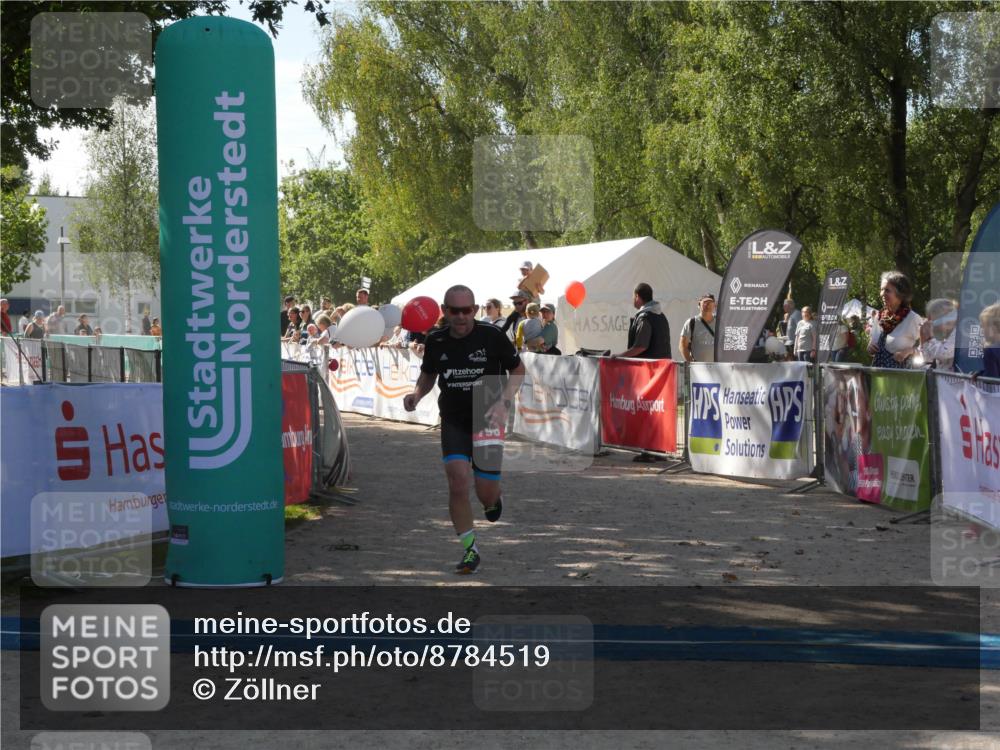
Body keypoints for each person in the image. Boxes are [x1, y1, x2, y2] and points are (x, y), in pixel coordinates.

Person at [403, 285, 525, 574]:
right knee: (458, 482)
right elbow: (429, 374)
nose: (461, 317)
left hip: (487, 417)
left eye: (466, 311)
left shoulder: (491, 336)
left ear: (475, 310)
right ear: (445, 311)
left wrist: (504, 401)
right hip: (454, 419)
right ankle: (470, 550)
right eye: (454, 311)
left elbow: (518, 370)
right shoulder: (436, 340)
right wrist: (416, 395)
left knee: (485, 493)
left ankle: (493, 499)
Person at [868, 270, 922, 369]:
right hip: (878, 374)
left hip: (901, 375)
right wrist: (870, 347)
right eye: (882, 289)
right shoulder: (879, 317)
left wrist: (909, 351)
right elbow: (873, 343)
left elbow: (927, 348)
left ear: (900, 294)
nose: (882, 294)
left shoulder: (912, 318)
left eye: (887, 290)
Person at [613, 283, 671, 359]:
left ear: (637, 296)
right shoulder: (661, 316)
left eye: (633, 296)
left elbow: (641, 347)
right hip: (663, 364)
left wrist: (620, 356)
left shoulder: (645, 318)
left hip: (649, 365)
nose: (632, 299)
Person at [918, 298, 957, 370]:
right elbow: (928, 359)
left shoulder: (958, 334)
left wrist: (930, 338)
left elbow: (942, 354)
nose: (930, 323)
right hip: (941, 375)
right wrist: (923, 339)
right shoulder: (943, 334)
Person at [679, 293, 716, 363]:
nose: (708, 305)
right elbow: (682, 345)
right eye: (705, 302)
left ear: (714, 305)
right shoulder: (691, 322)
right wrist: (691, 363)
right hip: (698, 367)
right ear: (699, 304)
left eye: (710, 302)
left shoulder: (720, 323)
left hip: (718, 366)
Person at [980, 302, 1000, 379]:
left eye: (983, 326)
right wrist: (982, 373)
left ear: (993, 328)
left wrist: (982, 377)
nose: (982, 331)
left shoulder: (990, 351)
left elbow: (991, 381)